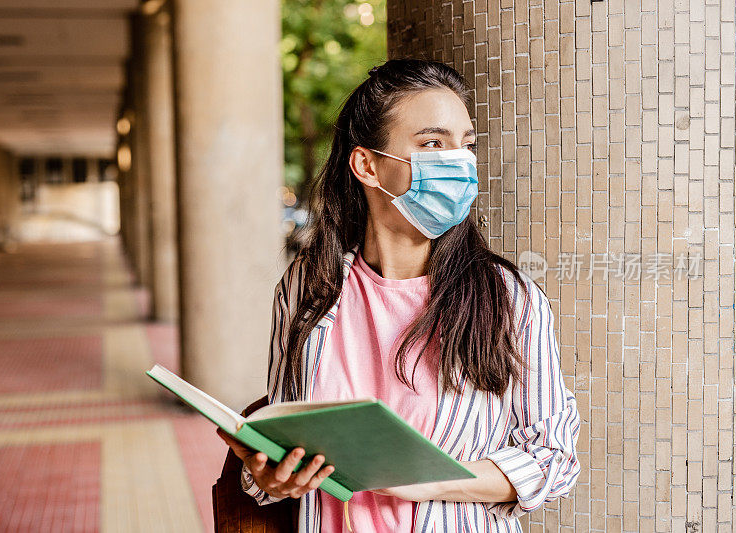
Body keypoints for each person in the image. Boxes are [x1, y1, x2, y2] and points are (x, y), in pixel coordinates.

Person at [218, 58, 580, 532]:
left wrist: (430, 479)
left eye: (465, 145)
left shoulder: (510, 299)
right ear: (367, 165)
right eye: (433, 143)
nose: (460, 162)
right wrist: (271, 479)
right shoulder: (307, 289)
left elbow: (553, 459)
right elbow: (284, 438)